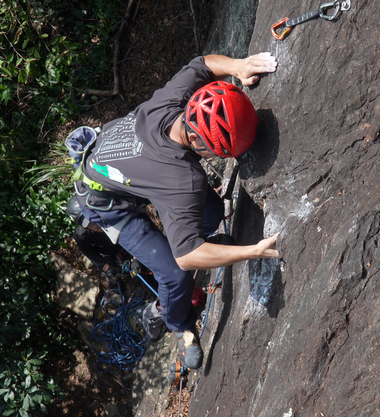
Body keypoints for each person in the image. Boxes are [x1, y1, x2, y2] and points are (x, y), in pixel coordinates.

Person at [72, 53, 280, 370]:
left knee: (210, 212)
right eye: (217, 150)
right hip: (109, 204)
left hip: (121, 169)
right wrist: (251, 251)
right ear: (195, 138)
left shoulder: (175, 101)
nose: (217, 156)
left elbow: (202, 65)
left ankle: (179, 243)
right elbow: (186, 258)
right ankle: (174, 321)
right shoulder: (183, 180)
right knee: (174, 274)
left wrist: (237, 66)